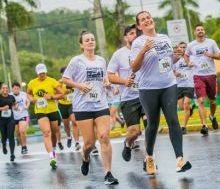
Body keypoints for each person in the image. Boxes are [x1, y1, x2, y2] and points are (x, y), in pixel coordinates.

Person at [130, 11, 191, 175]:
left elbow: (168, 62)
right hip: (148, 89)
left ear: (153, 20)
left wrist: (177, 56)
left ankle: (180, 159)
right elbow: (134, 68)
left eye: (148, 17)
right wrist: (143, 50)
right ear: (139, 26)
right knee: (153, 124)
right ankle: (149, 156)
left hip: (168, 84)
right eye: (142, 20)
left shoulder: (164, 38)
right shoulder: (138, 42)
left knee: (173, 119)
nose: (147, 20)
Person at [62, 30, 118, 185]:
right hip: (82, 107)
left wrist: (107, 83)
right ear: (81, 44)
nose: (91, 41)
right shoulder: (76, 61)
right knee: (89, 144)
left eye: (92, 39)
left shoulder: (101, 60)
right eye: (87, 40)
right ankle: (85, 157)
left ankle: (108, 173)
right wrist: (79, 86)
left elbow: (104, 78)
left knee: (104, 136)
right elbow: (65, 80)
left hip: (100, 103)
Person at [107, 24, 146, 162]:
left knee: (150, 125)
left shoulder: (145, 50)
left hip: (146, 95)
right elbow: (110, 76)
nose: (134, 35)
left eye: (136, 33)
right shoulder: (118, 54)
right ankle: (128, 143)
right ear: (125, 37)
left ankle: (150, 160)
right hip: (128, 98)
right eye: (130, 33)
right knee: (135, 131)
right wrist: (124, 81)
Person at [184, 24, 220, 135]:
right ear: (195, 32)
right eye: (198, 30)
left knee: (212, 101)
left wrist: (211, 54)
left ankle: (212, 116)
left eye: (201, 29)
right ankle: (204, 125)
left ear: (204, 31)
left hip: (210, 74)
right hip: (198, 75)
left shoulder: (211, 42)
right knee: (201, 100)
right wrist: (188, 62)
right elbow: (186, 56)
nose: (200, 31)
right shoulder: (191, 45)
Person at [27, 63, 64, 169]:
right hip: (40, 110)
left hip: (52, 110)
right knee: (46, 132)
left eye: (43, 73)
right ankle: (52, 157)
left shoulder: (52, 81)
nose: (42, 75)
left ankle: (53, 147)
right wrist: (31, 99)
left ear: (46, 72)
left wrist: (52, 96)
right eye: (40, 73)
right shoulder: (32, 83)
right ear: (37, 73)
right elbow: (28, 93)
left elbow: (62, 94)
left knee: (54, 131)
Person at [0, 82, 18, 162]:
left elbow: (15, 103)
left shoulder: (11, 97)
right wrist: (2, 108)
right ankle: (4, 144)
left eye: (6, 88)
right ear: (1, 89)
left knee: (11, 136)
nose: (5, 89)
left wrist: (16, 106)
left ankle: (12, 154)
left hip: (10, 119)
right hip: (2, 120)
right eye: (3, 88)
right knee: (4, 136)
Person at [173, 42, 194, 134]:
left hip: (189, 84)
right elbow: (171, 71)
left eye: (184, 47)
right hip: (179, 85)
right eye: (180, 47)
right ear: (178, 48)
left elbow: (192, 66)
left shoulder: (190, 57)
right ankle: (191, 109)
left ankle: (183, 127)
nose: (182, 49)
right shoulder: (175, 59)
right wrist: (175, 74)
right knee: (182, 107)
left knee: (186, 104)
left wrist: (188, 61)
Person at [58, 67, 81, 151]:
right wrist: (64, 92)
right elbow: (57, 93)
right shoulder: (59, 82)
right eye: (63, 74)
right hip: (62, 105)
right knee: (66, 124)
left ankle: (77, 142)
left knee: (74, 121)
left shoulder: (73, 81)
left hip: (72, 104)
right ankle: (69, 136)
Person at [10, 81, 30, 154]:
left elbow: (28, 101)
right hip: (14, 117)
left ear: (19, 88)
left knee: (22, 131)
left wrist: (27, 106)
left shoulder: (23, 94)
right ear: (12, 89)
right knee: (18, 132)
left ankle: (25, 146)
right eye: (15, 89)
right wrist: (13, 107)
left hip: (24, 115)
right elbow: (8, 104)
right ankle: (22, 146)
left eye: (17, 89)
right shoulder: (10, 95)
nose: (16, 90)